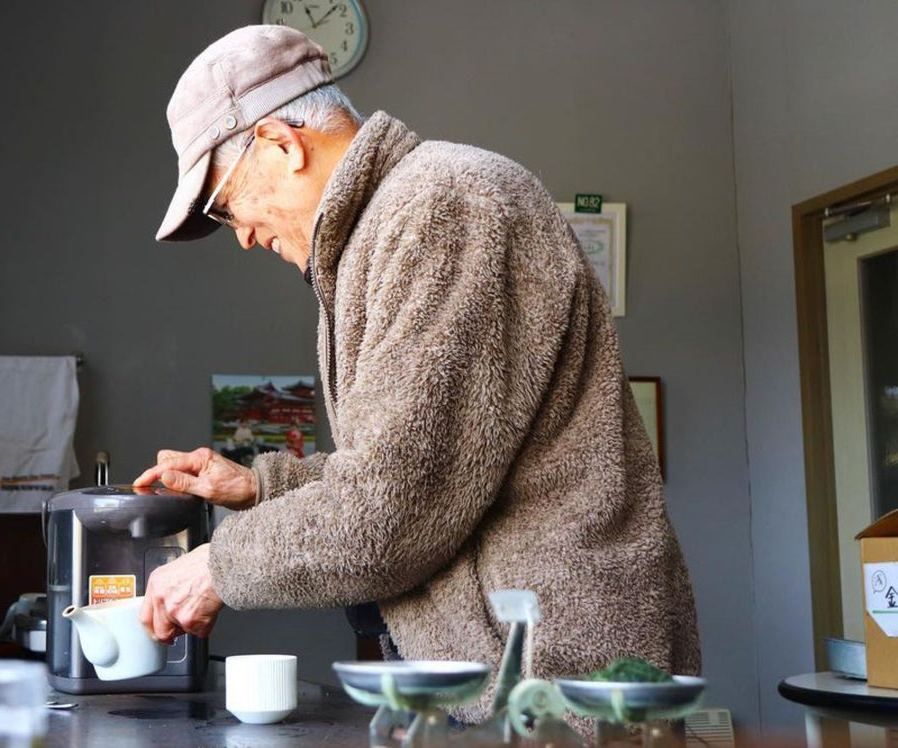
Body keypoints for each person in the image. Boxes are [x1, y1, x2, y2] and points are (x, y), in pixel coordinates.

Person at [134, 25, 700, 722]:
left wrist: (218, 565)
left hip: (553, 693)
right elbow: (428, 467)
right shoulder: (380, 232)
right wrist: (261, 486)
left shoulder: (442, 207)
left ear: (282, 142)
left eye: (224, 206)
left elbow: (392, 510)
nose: (242, 234)